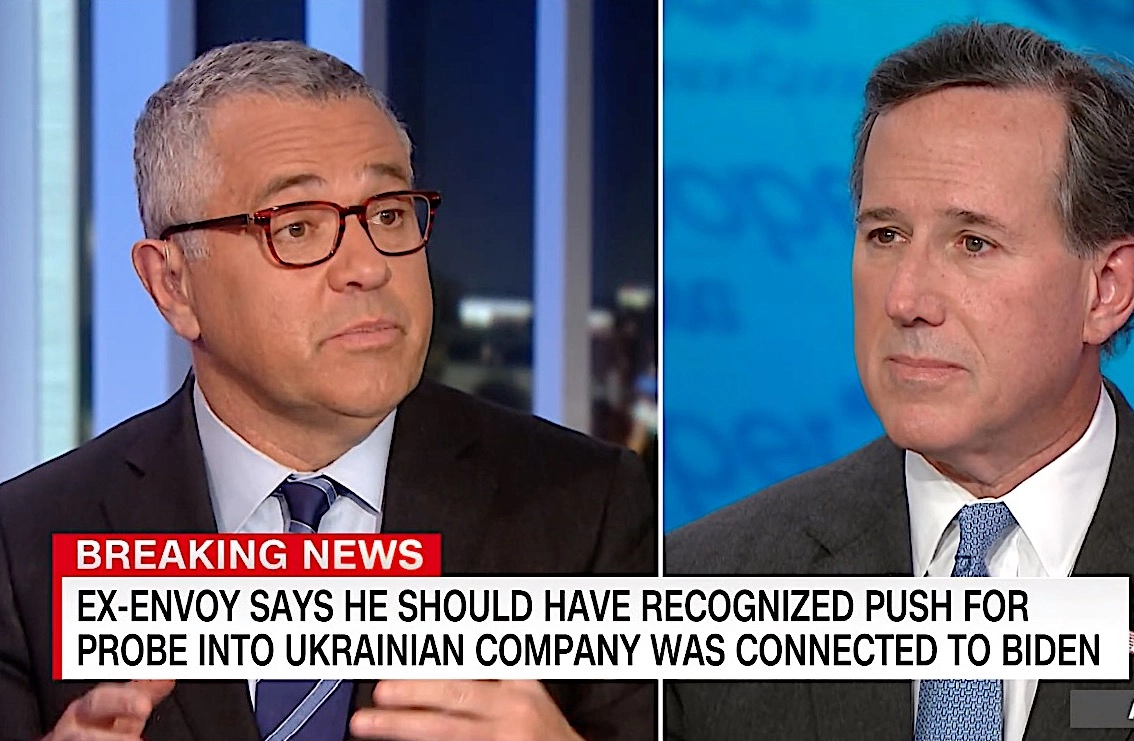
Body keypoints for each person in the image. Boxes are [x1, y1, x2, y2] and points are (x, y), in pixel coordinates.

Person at [665, 21, 1134, 741]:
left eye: (973, 243)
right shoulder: (706, 585)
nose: (905, 298)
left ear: (1106, 288)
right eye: (884, 235)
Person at [0, 41, 655, 741]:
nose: (368, 267)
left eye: (389, 214)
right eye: (297, 227)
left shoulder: (587, 507)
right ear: (173, 285)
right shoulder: (25, 542)